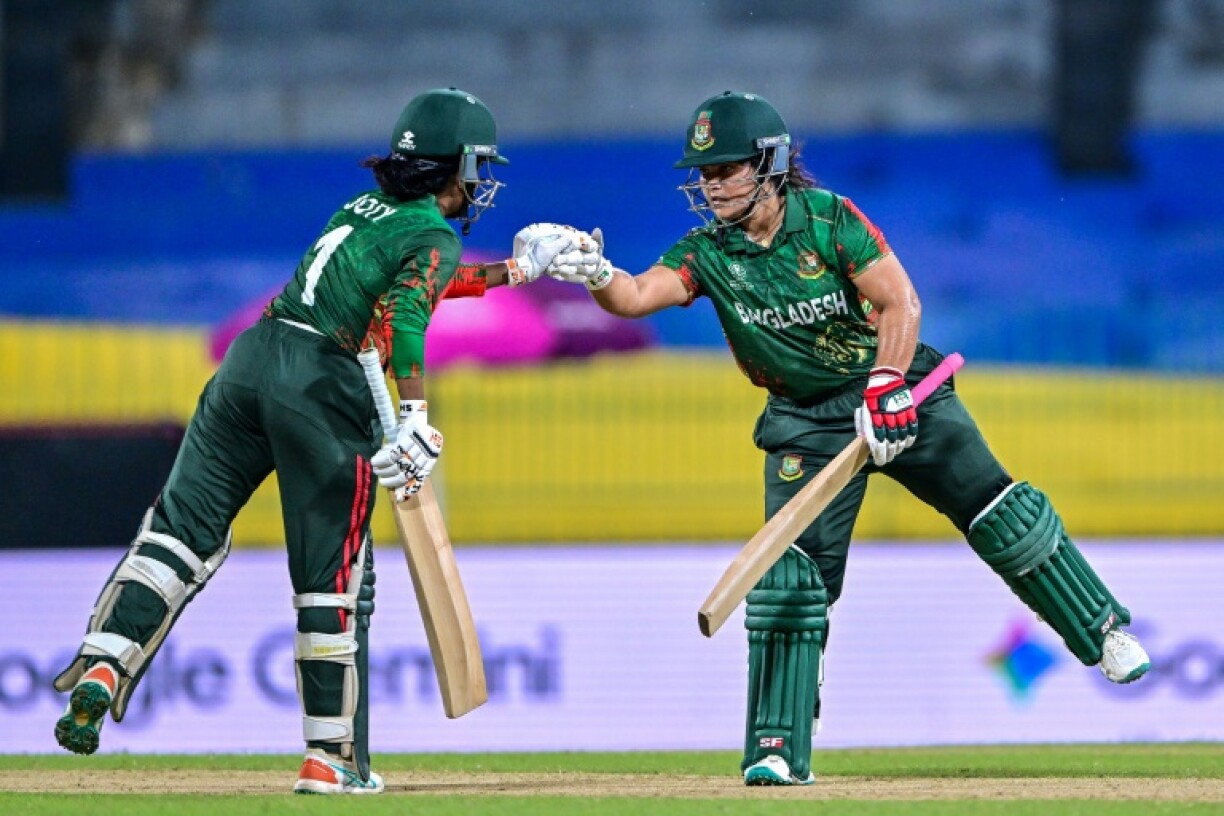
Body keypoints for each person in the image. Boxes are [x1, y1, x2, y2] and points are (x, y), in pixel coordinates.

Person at [551, 91, 1152, 787]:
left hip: (894, 392)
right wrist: (596, 274)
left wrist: (887, 382)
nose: (712, 186)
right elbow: (635, 295)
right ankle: (777, 744)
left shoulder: (829, 220)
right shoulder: (707, 252)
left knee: (999, 512)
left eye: (727, 170)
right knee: (788, 579)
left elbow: (901, 300)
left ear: (770, 166)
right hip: (804, 419)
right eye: (705, 174)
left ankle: (1104, 631)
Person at [51, 87, 585, 795]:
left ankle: (105, 659)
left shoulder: (361, 211)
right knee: (332, 580)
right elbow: (407, 315)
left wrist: (517, 272)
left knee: (179, 533)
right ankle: (330, 755)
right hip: (322, 387)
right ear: (454, 166)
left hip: (247, 364)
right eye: (476, 166)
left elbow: (412, 287)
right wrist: (417, 413)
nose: (479, 182)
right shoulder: (432, 230)